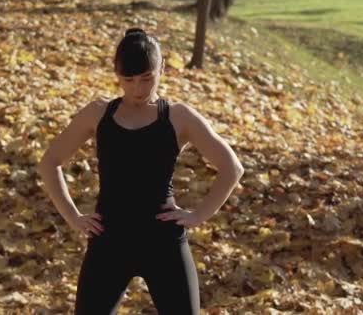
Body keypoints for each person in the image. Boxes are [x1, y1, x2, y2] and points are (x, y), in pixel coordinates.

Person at [37, 28, 244, 315]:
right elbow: (50, 162)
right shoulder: (97, 114)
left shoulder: (178, 117)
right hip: (109, 242)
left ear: (162, 68)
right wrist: (73, 217)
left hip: (163, 244)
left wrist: (198, 215)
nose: (137, 89)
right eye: (128, 80)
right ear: (117, 74)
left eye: (147, 78)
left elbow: (231, 168)